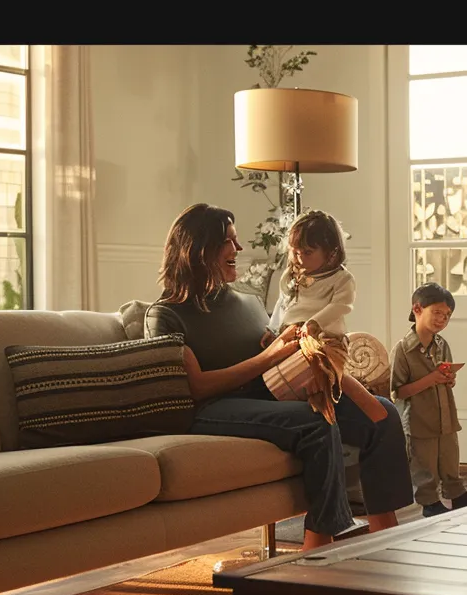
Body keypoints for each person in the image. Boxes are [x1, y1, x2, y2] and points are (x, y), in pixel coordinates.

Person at [145, 203, 412, 549]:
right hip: (213, 409)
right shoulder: (165, 314)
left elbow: (282, 342)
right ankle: (318, 549)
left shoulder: (247, 302)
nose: (238, 249)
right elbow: (196, 388)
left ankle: (387, 540)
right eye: (229, 241)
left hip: (269, 392)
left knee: (383, 415)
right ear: (200, 248)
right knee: (318, 421)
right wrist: (270, 355)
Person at [392, 282, 467, 517]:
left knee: (449, 457)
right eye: (437, 312)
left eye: (447, 315)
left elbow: (444, 378)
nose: (442, 319)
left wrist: (448, 379)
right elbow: (398, 392)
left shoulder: (442, 345)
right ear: (417, 309)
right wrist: (431, 379)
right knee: (425, 463)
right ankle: (429, 501)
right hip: (420, 419)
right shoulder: (403, 350)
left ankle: (456, 492)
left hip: (445, 414)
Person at [267, 209, 361, 425]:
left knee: (317, 364)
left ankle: (322, 404)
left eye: (307, 252)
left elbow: (341, 305)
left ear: (332, 253)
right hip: (293, 335)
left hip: (324, 338)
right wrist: (272, 329)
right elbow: (283, 302)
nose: (299, 258)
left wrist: (314, 323)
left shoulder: (341, 278)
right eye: (294, 251)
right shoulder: (293, 274)